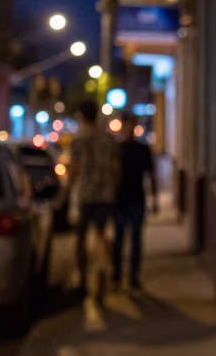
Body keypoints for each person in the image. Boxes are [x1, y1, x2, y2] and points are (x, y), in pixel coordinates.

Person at [67, 99, 120, 300]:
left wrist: (67, 190)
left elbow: (74, 167)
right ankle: (102, 269)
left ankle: (82, 278)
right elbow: (116, 168)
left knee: (80, 237)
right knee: (101, 234)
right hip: (105, 195)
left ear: (81, 116)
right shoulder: (108, 139)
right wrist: (114, 189)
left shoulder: (79, 140)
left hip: (85, 195)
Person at [112, 114, 157, 290]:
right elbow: (112, 175)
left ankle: (133, 276)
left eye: (132, 126)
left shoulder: (142, 149)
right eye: (127, 126)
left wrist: (154, 199)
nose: (130, 130)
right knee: (118, 239)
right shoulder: (117, 149)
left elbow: (151, 175)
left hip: (137, 199)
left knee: (136, 239)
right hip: (119, 200)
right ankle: (116, 274)